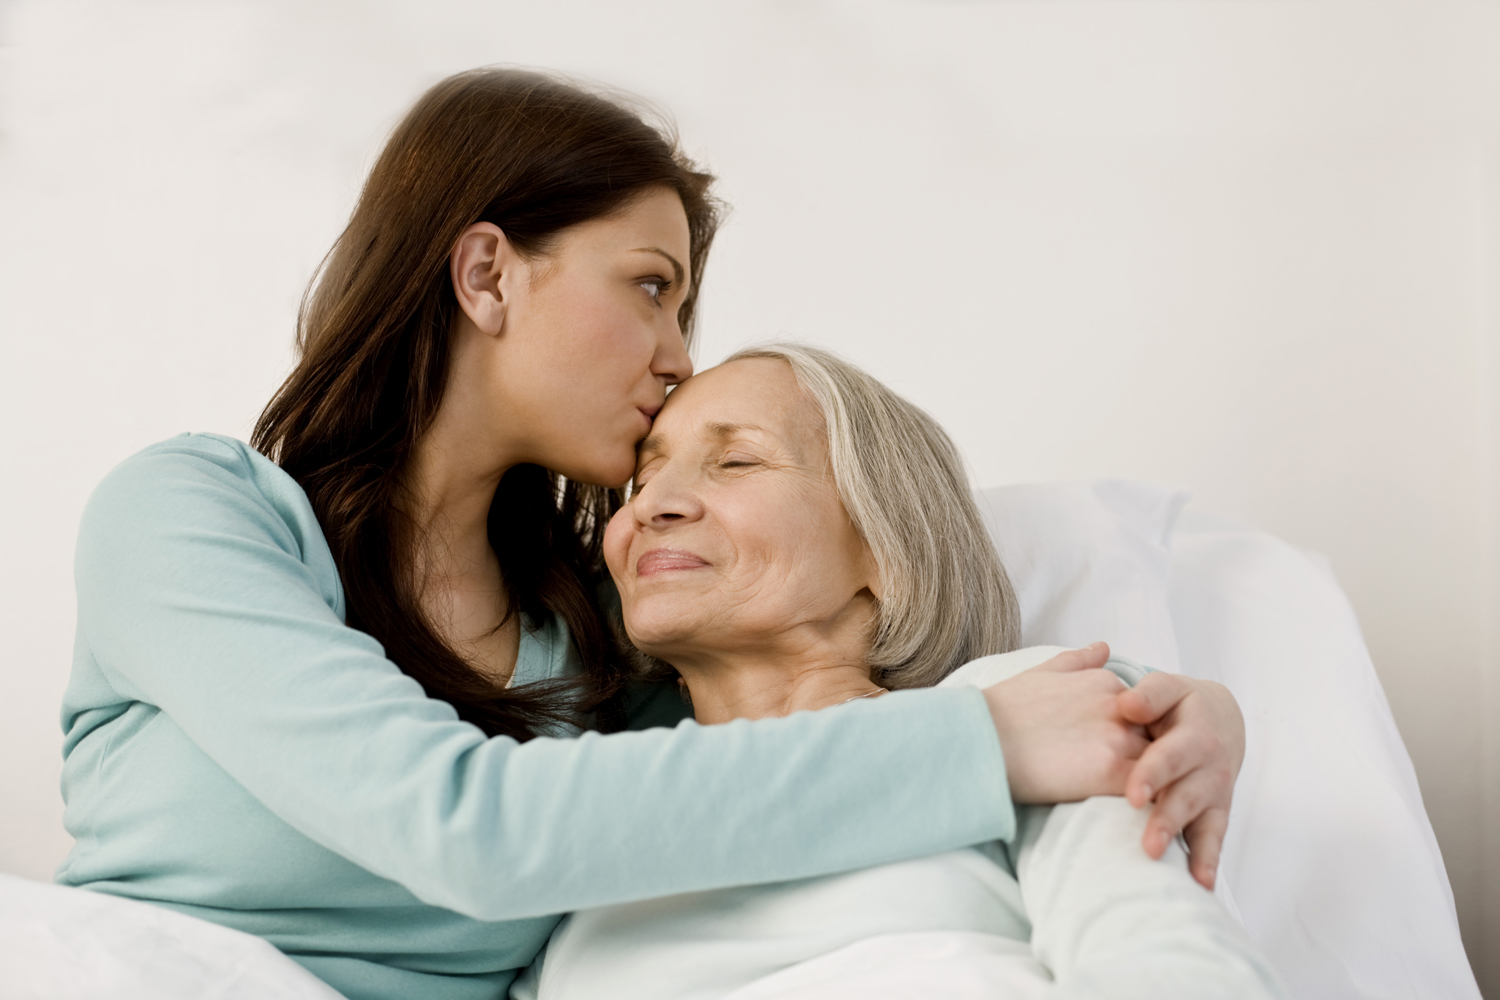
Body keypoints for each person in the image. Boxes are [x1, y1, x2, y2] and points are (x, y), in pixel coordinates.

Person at [56, 68, 1243, 1000]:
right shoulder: (190, 515)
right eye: (652, 286)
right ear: (486, 275)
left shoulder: (595, 655)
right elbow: (469, 823)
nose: (677, 353)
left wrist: (1157, 705)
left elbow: (788, 730)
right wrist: (988, 739)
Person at [520, 345, 1277, 999]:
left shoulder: (1023, 711)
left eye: (737, 460)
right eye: (641, 483)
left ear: (886, 548)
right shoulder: (595, 829)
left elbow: (1167, 961)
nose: (655, 506)